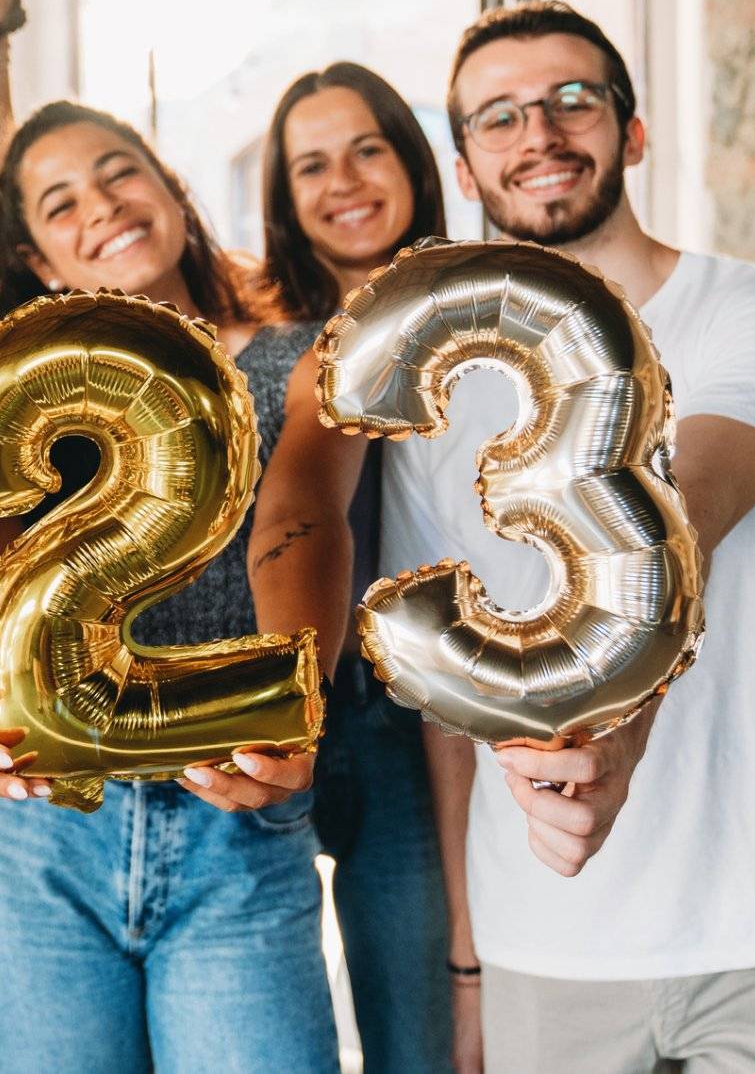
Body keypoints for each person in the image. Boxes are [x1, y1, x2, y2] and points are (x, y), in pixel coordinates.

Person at [386, 0, 755, 1071]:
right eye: (499, 116)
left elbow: (677, 516)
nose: (539, 133)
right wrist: (466, 965)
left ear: (632, 129)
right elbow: (444, 710)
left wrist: (617, 721)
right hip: (548, 937)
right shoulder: (431, 399)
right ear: (465, 167)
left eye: (572, 98)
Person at [0, 0, 367, 1073]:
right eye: (59, 204)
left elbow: (301, 519)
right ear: (35, 258)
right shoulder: (25, 386)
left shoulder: (294, 354)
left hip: (232, 813)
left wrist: (292, 711)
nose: (100, 206)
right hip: (38, 828)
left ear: (170, 190)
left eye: (118, 172)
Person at [260, 63, 472, 1072]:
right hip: (284, 702)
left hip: (412, 721)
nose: (341, 180)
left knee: (416, 1027)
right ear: (282, 196)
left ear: (411, 160)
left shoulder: (481, 313)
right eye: (310, 164)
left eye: (365, 148)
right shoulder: (261, 321)